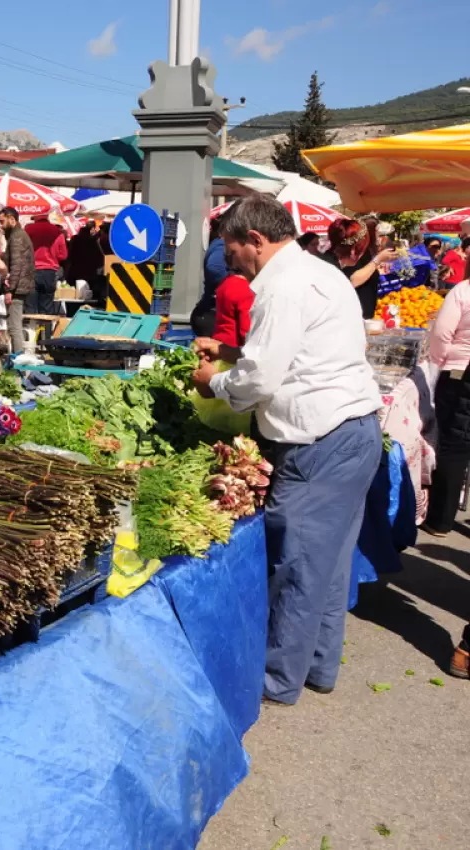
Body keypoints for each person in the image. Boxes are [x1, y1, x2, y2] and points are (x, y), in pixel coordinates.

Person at [191, 194, 382, 707]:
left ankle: (277, 680)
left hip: (319, 444)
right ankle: (317, 667)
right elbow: (301, 354)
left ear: (256, 240)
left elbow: (261, 380)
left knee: (296, 567)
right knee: (329, 563)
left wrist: (216, 381)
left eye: (232, 249)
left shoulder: (283, 288)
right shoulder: (320, 272)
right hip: (353, 431)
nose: (229, 259)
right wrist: (232, 353)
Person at [422, 278, 470, 538]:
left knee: (455, 443)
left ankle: (440, 520)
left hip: (461, 372)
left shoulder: (463, 291)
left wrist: (439, 362)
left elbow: (441, 333)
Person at [325, 217, 397, 319]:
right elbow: (352, 281)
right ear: (354, 250)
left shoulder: (329, 261)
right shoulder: (328, 267)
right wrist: (377, 260)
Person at [190, 216, 234, 337]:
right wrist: (235, 283)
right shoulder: (221, 245)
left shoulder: (218, 244)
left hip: (209, 312)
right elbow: (214, 267)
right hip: (211, 313)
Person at [0, 207, 34, 353]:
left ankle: (18, 361)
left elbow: (16, 265)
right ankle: (18, 358)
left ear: (11, 219)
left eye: (2, 221)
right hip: (21, 286)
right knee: (15, 326)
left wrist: (10, 289)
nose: (1, 225)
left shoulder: (17, 237)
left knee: (14, 327)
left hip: (17, 288)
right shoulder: (17, 235)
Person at [24, 212, 67, 316]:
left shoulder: (28, 230)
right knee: (47, 307)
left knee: (30, 307)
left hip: (31, 271)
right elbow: (63, 255)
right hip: (50, 272)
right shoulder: (57, 231)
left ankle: (32, 331)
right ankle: (45, 331)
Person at [212, 268, 255, 349]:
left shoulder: (225, 282)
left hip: (218, 341)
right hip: (233, 348)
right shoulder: (244, 289)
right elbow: (245, 329)